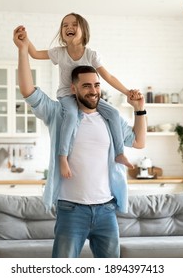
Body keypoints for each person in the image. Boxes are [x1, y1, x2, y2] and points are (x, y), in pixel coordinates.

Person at [14, 26, 147, 258]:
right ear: (73, 88)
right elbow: (28, 90)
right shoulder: (59, 115)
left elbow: (138, 142)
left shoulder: (109, 119)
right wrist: (23, 50)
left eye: (96, 85)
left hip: (106, 210)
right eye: (86, 86)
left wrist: (140, 109)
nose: (93, 91)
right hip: (71, 210)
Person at [18, 13, 140, 179]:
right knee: (71, 115)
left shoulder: (91, 55)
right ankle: (62, 157)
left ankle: (119, 153)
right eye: (65, 25)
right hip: (67, 97)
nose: (69, 27)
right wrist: (25, 40)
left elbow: (108, 77)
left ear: (84, 30)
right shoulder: (59, 53)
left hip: (87, 97)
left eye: (74, 24)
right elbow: (34, 54)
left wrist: (127, 92)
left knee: (114, 113)